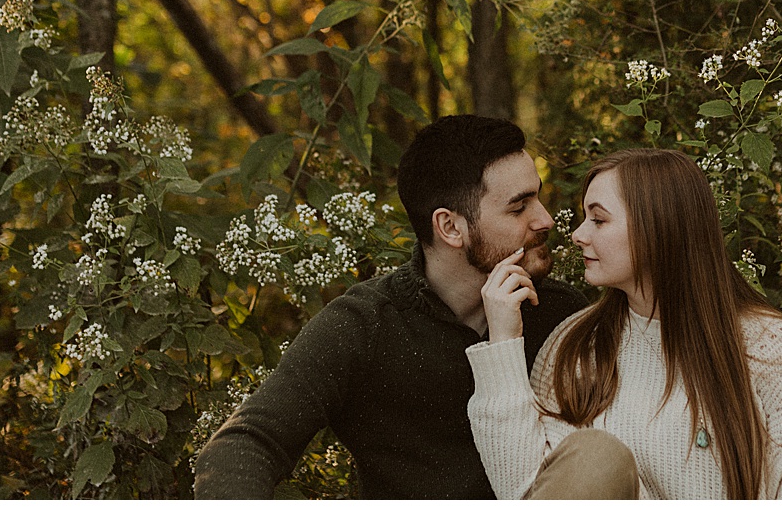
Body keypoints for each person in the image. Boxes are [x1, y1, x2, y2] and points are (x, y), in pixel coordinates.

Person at [192, 115, 590, 499]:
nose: (546, 219)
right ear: (450, 227)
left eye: (538, 197)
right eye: (519, 207)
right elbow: (247, 441)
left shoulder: (558, 313)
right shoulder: (366, 325)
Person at [467, 147, 782, 499]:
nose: (577, 235)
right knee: (597, 458)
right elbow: (525, 493)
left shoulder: (768, 346)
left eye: (599, 220)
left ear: (658, 228)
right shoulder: (574, 347)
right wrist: (503, 343)